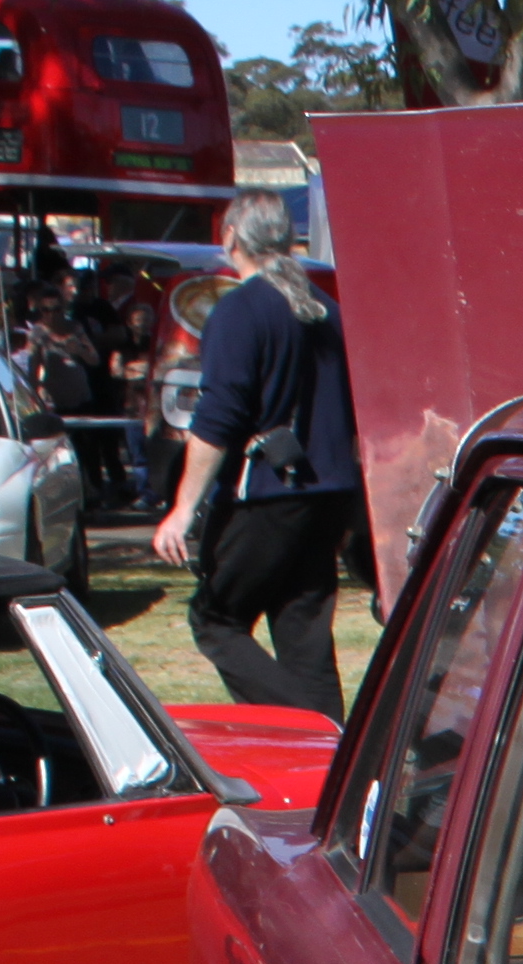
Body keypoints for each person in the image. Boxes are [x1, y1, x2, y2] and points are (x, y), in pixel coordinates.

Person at [150, 192, 361, 718]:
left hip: (267, 493)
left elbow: (218, 417)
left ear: (231, 238)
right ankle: (328, 766)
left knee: (216, 620)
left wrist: (182, 509)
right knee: (303, 635)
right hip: (329, 492)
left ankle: (318, 735)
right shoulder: (326, 311)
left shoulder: (240, 311)